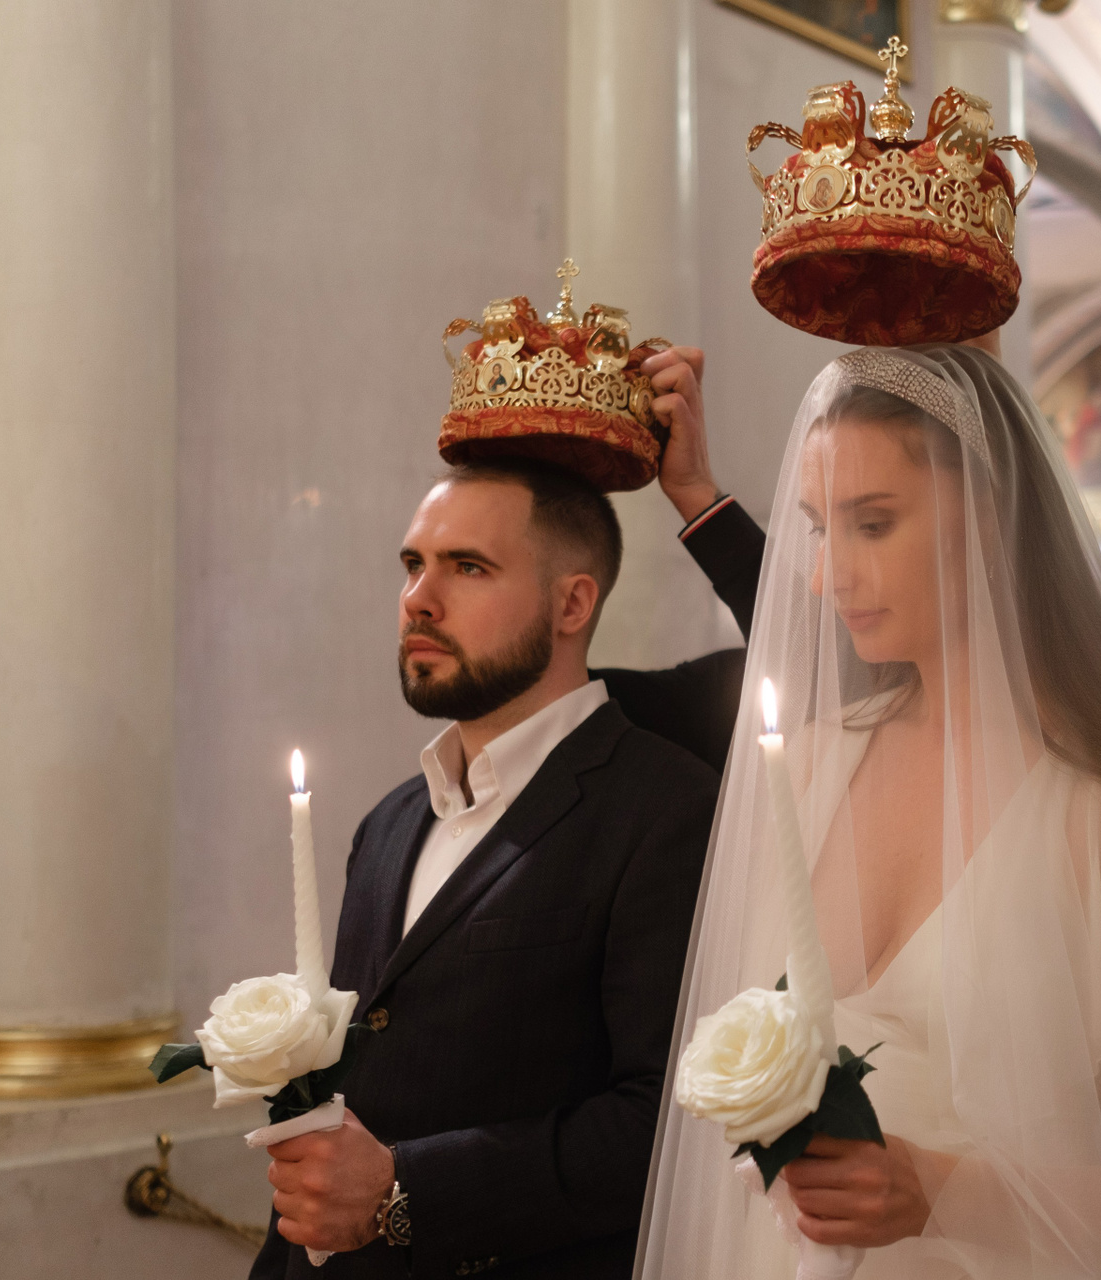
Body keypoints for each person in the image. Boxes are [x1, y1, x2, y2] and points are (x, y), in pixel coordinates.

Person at [639, 345, 1101, 1278]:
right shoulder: (807, 765)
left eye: (873, 524)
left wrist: (945, 1193)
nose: (827, 577)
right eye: (819, 530)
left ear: (993, 520)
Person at [251, 349, 768, 1279]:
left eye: (468, 567)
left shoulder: (665, 810)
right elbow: (338, 1114)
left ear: (573, 603)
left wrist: (405, 1189)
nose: (419, 598)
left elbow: (669, 1117)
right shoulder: (388, 824)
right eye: (413, 565)